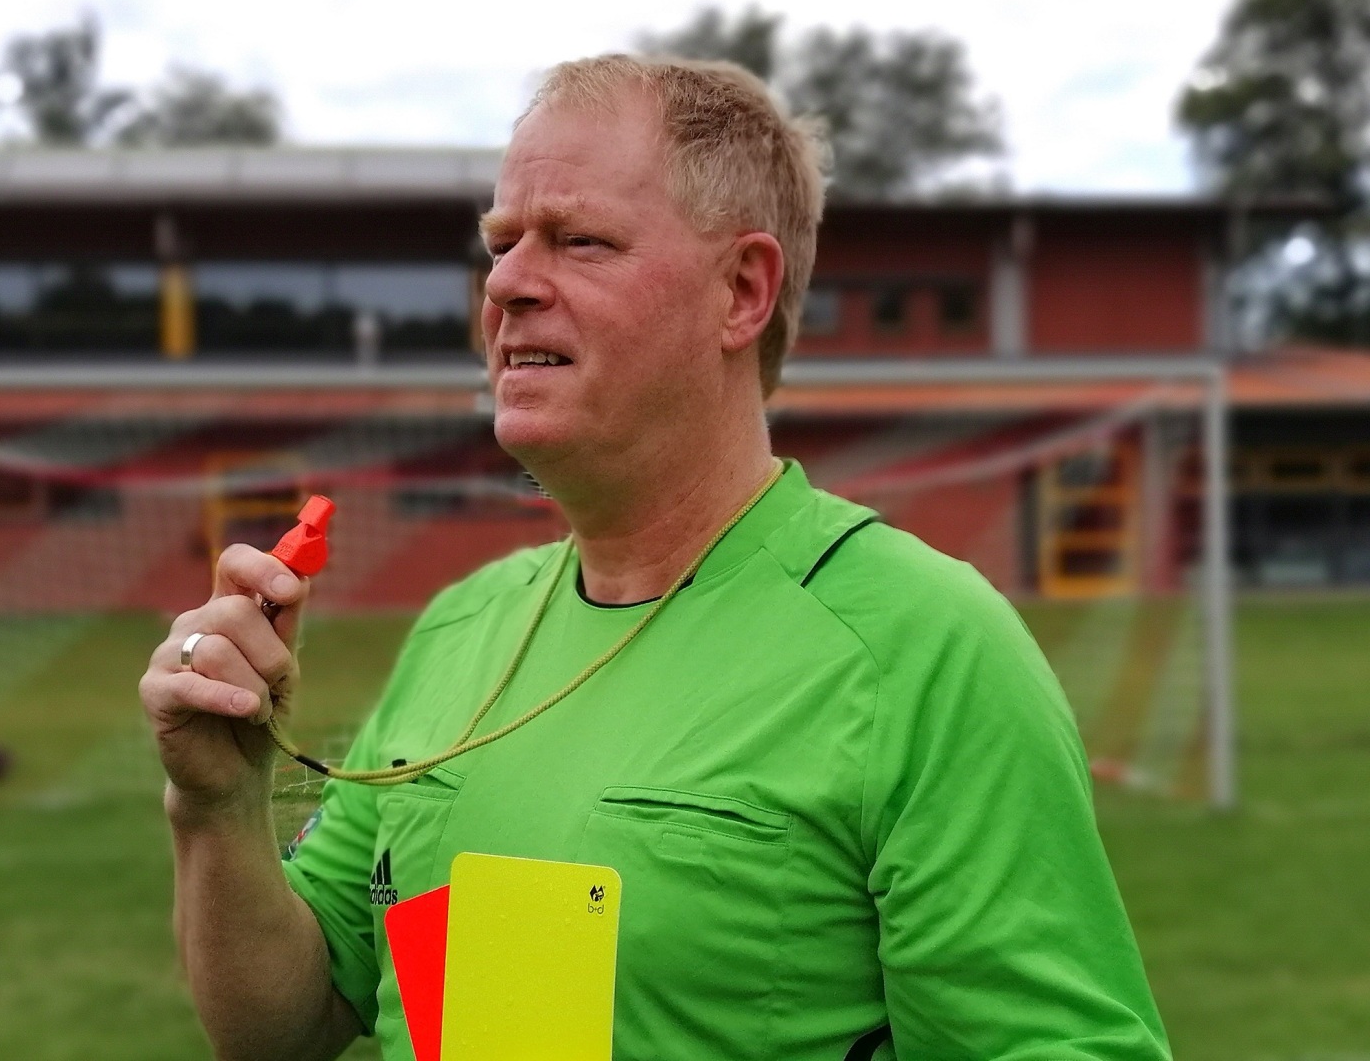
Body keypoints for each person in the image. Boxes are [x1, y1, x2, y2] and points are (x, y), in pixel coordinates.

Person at [137, 54, 1170, 1061]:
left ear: (742, 291)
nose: (505, 282)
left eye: (577, 240)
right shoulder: (465, 626)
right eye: (500, 243)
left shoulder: (923, 648)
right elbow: (293, 1017)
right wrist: (217, 806)